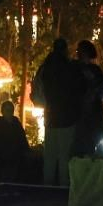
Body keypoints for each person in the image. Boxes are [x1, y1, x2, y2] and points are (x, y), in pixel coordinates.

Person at [34, 38, 83, 186]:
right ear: (65, 50)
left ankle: (47, 185)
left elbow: (37, 89)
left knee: (50, 155)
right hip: (67, 117)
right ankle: (64, 186)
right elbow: (78, 90)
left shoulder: (45, 68)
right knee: (64, 155)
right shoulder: (70, 68)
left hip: (50, 117)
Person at [0, 99, 29, 185]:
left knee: (15, 175)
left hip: (15, 155)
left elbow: (22, 137)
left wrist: (26, 150)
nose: (9, 112)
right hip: (3, 155)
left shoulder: (16, 123)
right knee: (4, 176)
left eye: (11, 110)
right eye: (7, 110)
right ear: (2, 111)